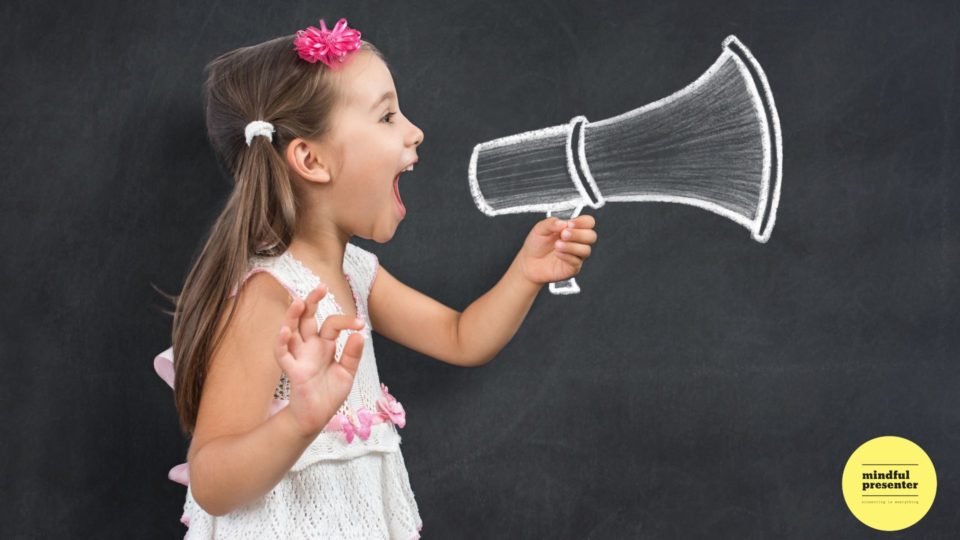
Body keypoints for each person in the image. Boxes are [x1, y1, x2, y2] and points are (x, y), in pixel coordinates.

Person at [158, 17, 598, 539]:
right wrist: (299, 421)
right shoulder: (269, 296)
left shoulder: (356, 273)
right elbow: (211, 483)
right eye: (387, 116)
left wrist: (526, 273)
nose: (415, 131)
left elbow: (461, 337)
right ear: (310, 160)